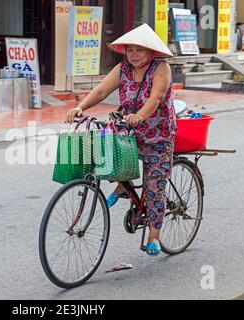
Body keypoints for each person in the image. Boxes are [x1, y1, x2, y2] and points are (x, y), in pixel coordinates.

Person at [66, 24, 177, 257]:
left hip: (158, 135)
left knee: (154, 187)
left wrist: (141, 116)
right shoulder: (122, 68)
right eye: (130, 50)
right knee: (106, 149)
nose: (134, 55)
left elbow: (156, 97)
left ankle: (154, 237)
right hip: (129, 130)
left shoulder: (161, 68)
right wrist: (80, 106)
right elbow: (100, 91)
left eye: (140, 50)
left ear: (151, 52)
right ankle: (122, 186)